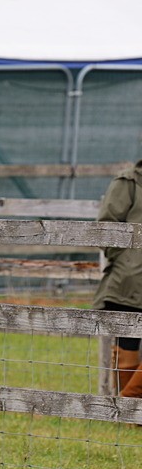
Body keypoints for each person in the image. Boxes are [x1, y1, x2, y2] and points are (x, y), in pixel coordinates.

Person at [91, 159, 142, 399]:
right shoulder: (129, 182)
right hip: (130, 281)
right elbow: (107, 229)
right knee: (127, 345)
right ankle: (131, 410)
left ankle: (128, 404)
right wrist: (129, 261)